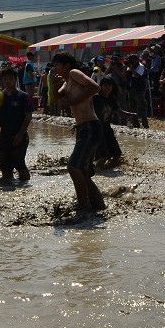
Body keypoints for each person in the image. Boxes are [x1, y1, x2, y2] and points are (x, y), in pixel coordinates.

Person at [52, 52, 106, 217]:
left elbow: (95, 88)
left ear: (67, 65)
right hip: (83, 127)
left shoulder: (74, 73)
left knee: (73, 167)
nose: (55, 68)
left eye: (57, 65)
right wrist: (55, 84)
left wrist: (73, 102)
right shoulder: (67, 81)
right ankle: (98, 205)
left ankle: (83, 205)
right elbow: (55, 98)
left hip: (90, 125)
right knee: (82, 171)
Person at [0, 67, 33, 184]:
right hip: (4, 135)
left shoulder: (24, 96)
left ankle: (26, 189)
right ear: (2, 80)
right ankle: (8, 189)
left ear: (15, 80)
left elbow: (28, 116)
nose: (8, 81)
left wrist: (20, 135)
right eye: (5, 79)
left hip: (20, 134)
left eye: (11, 79)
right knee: (4, 166)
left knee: (19, 163)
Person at [93, 74, 132, 168]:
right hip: (96, 130)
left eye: (110, 85)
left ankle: (109, 169)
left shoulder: (111, 99)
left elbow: (118, 111)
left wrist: (129, 114)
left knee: (117, 154)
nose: (108, 88)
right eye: (105, 85)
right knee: (104, 156)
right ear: (101, 86)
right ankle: (95, 173)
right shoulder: (95, 98)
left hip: (107, 129)